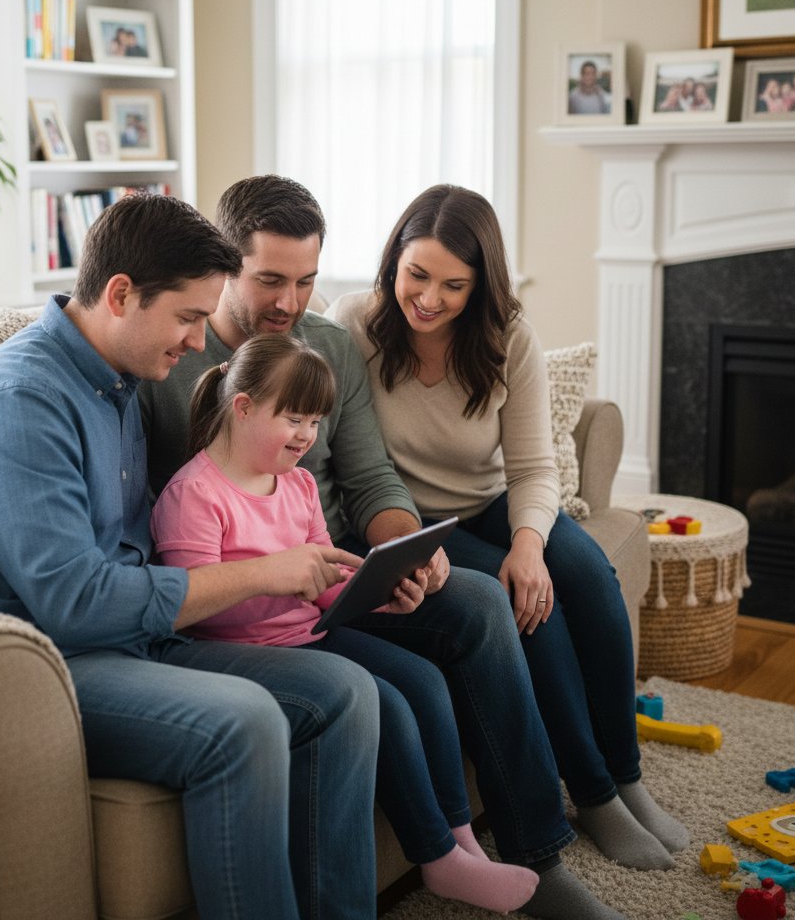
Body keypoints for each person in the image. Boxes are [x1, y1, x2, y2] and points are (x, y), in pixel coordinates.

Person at [139, 174, 654, 920]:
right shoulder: (171, 357)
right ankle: (486, 849)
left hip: (333, 562)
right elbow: (170, 526)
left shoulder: (325, 342)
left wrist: (405, 548)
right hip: (249, 600)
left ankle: (541, 848)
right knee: (468, 614)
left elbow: (371, 475)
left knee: (488, 595)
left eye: (307, 280)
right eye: (269, 281)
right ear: (225, 266)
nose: (290, 303)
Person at [0, 193, 381, 920]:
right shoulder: (18, 402)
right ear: (120, 294)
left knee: (345, 692)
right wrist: (265, 571)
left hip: (137, 639)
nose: (200, 342)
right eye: (189, 317)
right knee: (245, 722)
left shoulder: (118, 379)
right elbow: (75, 602)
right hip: (51, 665)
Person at [326, 182, 691, 894]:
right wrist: (512, 567)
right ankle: (590, 795)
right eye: (416, 275)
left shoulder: (508, 337)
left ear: (481, 282)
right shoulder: (355, 325)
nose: (429, 299)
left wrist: (529, 543)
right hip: (409, 520)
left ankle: (625, 775)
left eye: (453, 285)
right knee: (526, 608)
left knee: (584, 576)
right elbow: (346, 459)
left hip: (489, 501)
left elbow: (532, 466)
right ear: (392, 262)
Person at [153, 332, 540, 915]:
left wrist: (385, 595)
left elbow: (328, 574)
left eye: (315, 421)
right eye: (294, 419)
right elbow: (191, 603)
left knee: (425, 682)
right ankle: (437, 857)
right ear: (243, 407)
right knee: (384, 701)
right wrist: (276, 576)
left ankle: (462, 844)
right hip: (246, 653)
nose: (307, 436)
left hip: (311, 633)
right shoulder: (195, 495)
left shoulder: (300, 484)